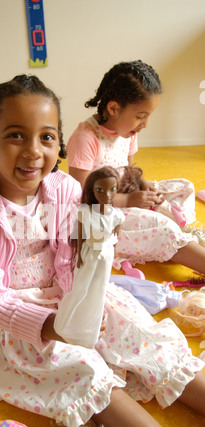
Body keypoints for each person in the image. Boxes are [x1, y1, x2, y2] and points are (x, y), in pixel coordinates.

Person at [0, 74, 205, 427]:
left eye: (45, 137)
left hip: (68, 294)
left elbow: (69, 253)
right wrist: (51, 326)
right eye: (15, 135)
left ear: (58, 141)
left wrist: (91, 264)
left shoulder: (64, 188)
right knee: (83, 371)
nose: (32, 151)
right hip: (16, 316)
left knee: (141, 334)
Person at [67, 60, 205, 274]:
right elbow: (82, 197)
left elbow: (128, 170)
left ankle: (181, 233)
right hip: (99, 215)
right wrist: (128, 200)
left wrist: (142, 185)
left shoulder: (128, 132)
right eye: (141, 117)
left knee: (183, 186)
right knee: (162, 227)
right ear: (113, 108)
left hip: (124, 196)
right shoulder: (86, 138)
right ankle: (177, 237)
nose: (145, 125)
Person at [54, 167, 125, 348]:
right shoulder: (85, 212)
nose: (107, 195)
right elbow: (79, 235)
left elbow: (116, 236)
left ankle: (91, 325)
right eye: (100, 190)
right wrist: (78, 256)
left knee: (99, 289)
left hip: (106, 256)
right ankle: (69, 320)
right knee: (81, 287)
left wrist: (114, 252)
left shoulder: (117, 215)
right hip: (89, 254)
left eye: (112, 189)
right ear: (92, 191)